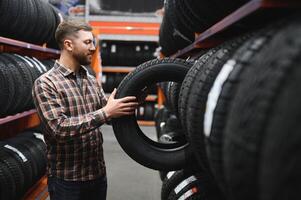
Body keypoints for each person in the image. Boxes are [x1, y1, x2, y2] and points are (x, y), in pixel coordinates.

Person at [32, 20, 138, 200]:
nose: (93, 48)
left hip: (97, 175)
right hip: (67, 181)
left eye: (93, 42)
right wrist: (106, 112)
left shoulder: (89, 78)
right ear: (68, 45)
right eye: (88, 42)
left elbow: (106, 112)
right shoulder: (46, 83)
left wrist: (130, 99)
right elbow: (58, 128)